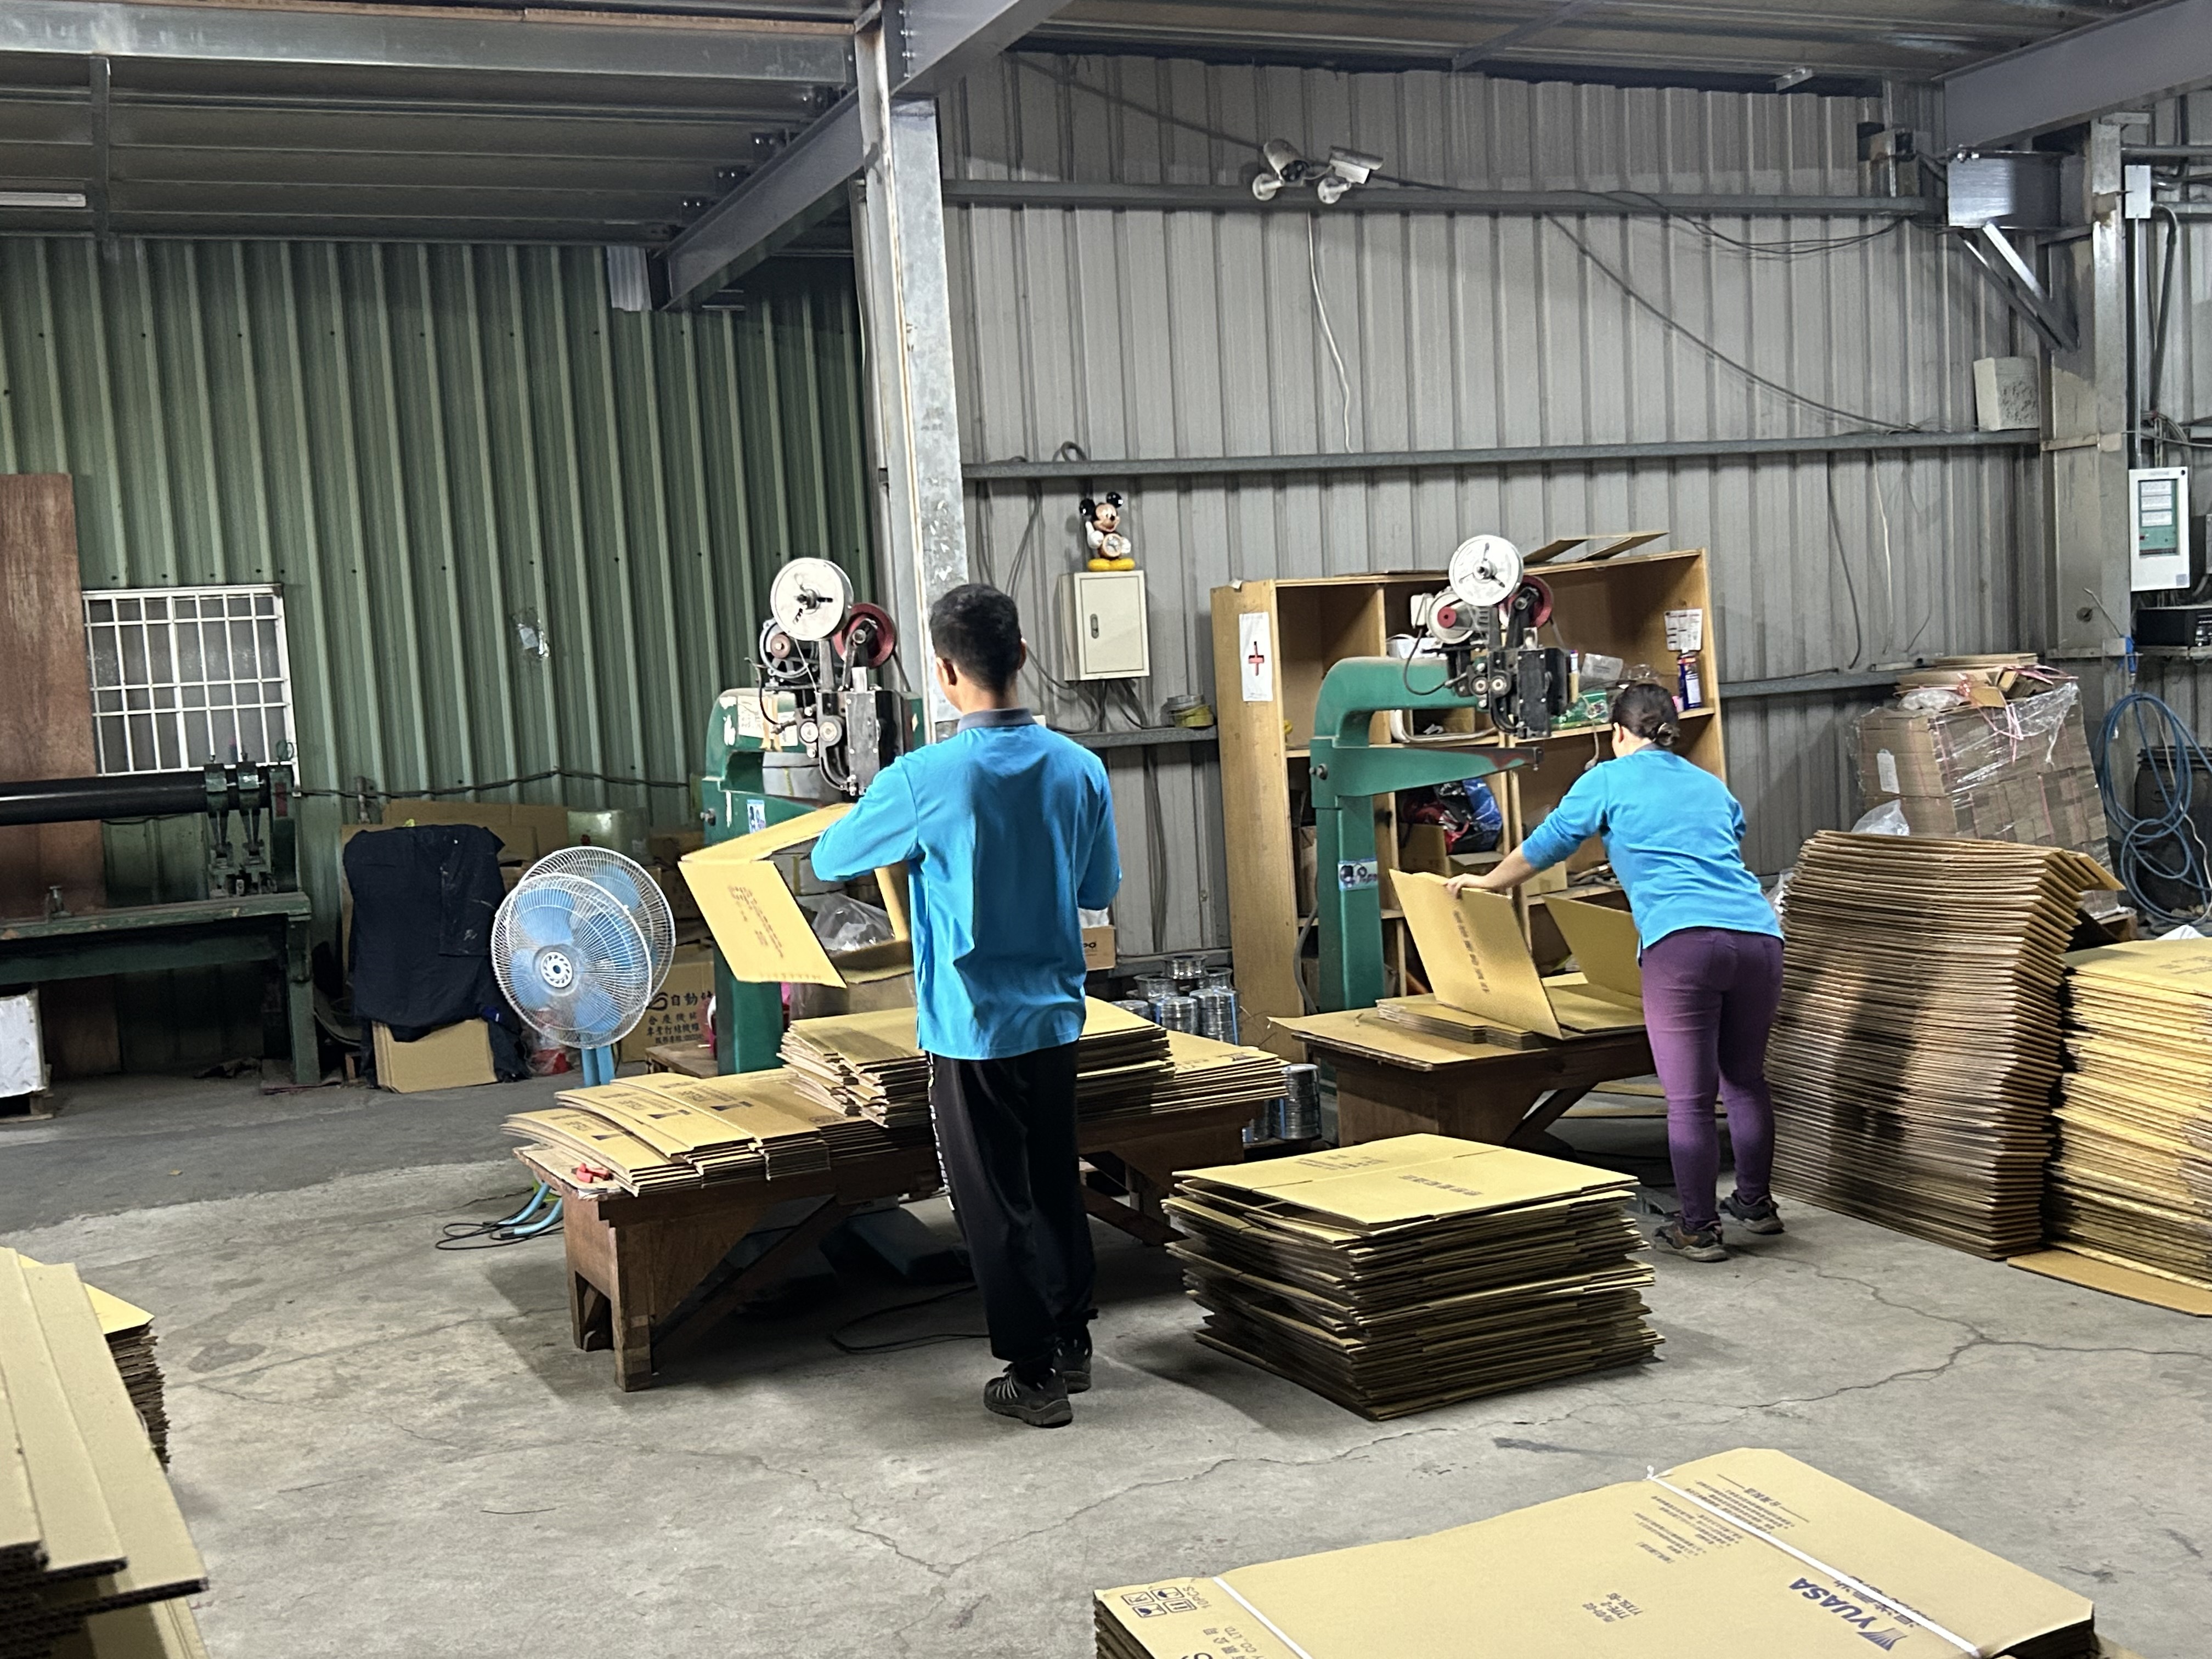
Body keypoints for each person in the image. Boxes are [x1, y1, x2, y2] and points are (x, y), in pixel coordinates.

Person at [810, 583, 1121, 1426]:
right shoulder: (1081, 768)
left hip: (972, 1027)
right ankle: (1073, 1342)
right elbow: (1097, 887)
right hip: (1055, 1017)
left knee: (992, 1203)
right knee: (1054, 1181)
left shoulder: (925, 778)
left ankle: (1033, 1374)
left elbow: (832, 856)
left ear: (944, 672)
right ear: (1020, 655)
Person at [1446, 681, 1784, 1262]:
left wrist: (1489, 881)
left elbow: (1550, 843)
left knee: (1689, 1099)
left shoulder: (1607, 778)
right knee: (1745, 1080)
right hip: (1759, 938)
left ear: (1617, 732)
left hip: (1683, 943)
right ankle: (1756, 1205)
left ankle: (1698, 1228)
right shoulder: (1710, 785)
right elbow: (1723, 845)